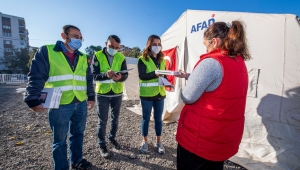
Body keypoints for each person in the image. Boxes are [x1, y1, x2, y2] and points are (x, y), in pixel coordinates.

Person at [175, 21, 251, 170]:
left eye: (206, 45)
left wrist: (181, 89)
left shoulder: (212, 62)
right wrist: (189, 76)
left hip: (200, 139)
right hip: (220, 139)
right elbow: (218, 84)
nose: (206, 49)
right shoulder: (239, 62)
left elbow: (188, 97)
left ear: (214, 42)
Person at [24, 25, 95, 170]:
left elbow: (88, 78)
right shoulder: (47, 51)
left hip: (80, 102)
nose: (79, 40)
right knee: (59, 140)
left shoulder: (82, 57)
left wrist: (91, 96)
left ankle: (77, 161)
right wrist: (31, 97)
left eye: (80, 37)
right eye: (75, 36)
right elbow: (37, 75)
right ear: (64, 36)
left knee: (78, 134)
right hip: (60, 103)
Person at [92, 35, 128, 158]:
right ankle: (102, 144)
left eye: (116, 47)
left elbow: (125, 74)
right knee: (102, 121)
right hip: (102, 93)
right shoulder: (97, 55)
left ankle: (112, 138)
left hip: (117, 92)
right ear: (105, 43)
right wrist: (105, 75)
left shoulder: (121, 56)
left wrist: (121, 77)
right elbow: (94, 75)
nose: (114, 49)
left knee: (115, 118)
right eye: (111, 46)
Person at [138, 35, 166, 154]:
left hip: (160, 94)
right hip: (147, 95)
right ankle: (145, 141)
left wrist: (168, 80)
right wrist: (155, 74)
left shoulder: (162, 59)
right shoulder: (142, 59)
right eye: (154, 44)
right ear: (149, 45)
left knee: (158, 119)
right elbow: (142, 76)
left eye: (159, 44)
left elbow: (163, 75)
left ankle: (158, 142)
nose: (157, 46)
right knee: (146, 119)